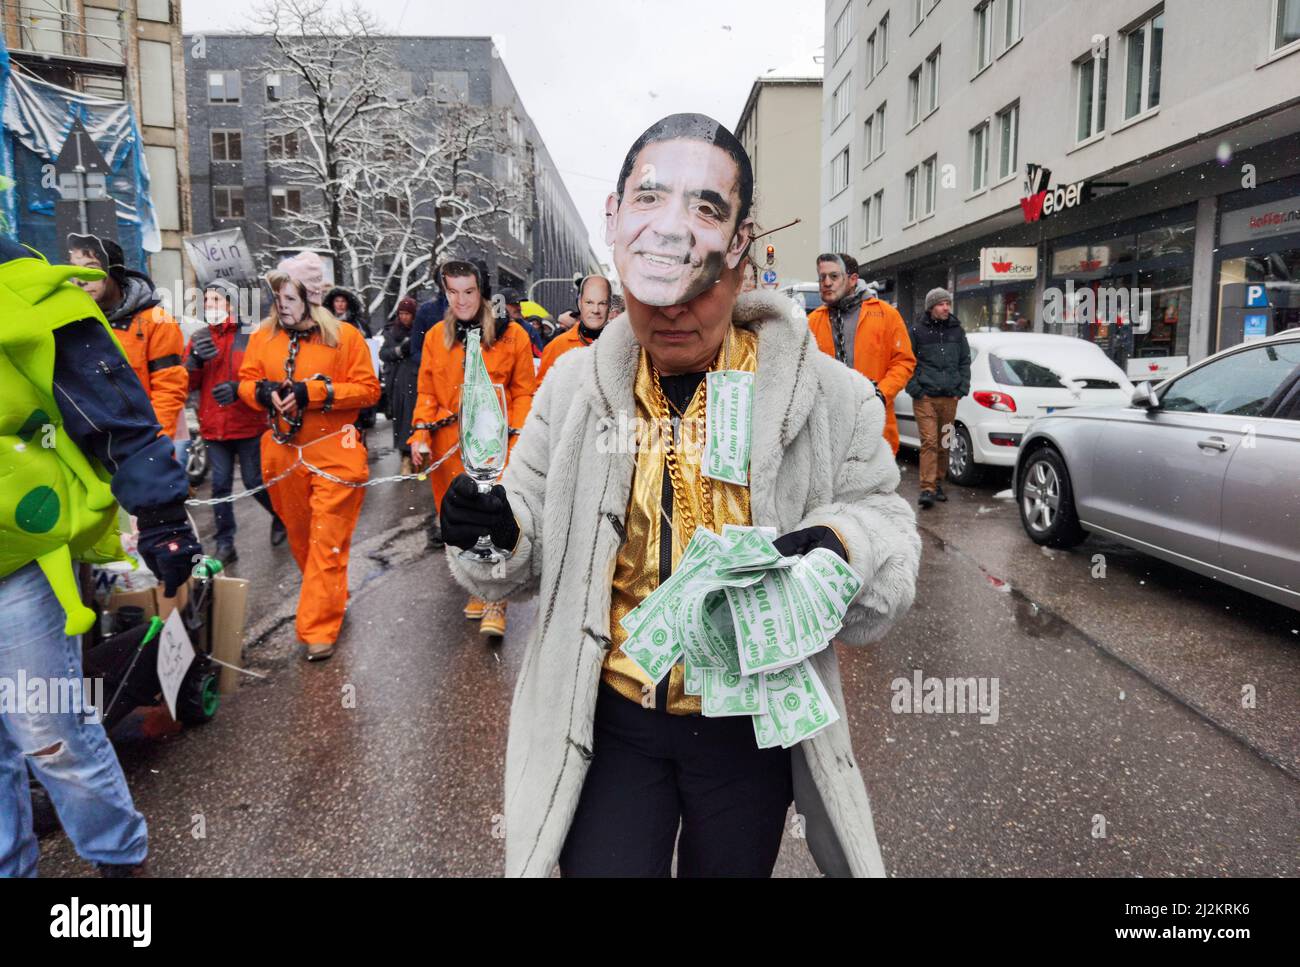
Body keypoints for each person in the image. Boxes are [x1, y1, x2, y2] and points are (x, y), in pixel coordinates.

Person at [438, 113, 920, 877]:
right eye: (647, 289)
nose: (670, 314)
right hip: (610, 724)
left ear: (741, 254)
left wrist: (841, 545)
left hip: (746, 729)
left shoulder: (831, 396)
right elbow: (521, 542)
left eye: (695, 286)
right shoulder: (572, 388)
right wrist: (494, 527)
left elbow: (885, 526)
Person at [0, 237, 201, 877]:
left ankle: (117, 865)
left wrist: (163, 513)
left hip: (20, 558)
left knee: (48, 731)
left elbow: (116, 410)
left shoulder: (23, 285)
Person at [234, 259, 380, 661]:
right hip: (282, 455)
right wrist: (262, 394)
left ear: (309, 298)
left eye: (289, 295)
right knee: (302, 538)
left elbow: (368, 391)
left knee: (325, 540)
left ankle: (318, 628)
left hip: (337, 452)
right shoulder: (263, 337)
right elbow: (247, 380)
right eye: (277, 295)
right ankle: (329, 594)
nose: (281, 303)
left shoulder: (345, 337)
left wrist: (314, 393)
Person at [407, 260, 535, 638]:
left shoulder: (513, 336)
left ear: (482, 291)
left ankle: (497, 601)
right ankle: (477, 588)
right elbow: (427, 391)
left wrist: (516, 434)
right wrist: (420, 433)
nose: (461, 301)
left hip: (495, 444)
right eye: (453, 292)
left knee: (494, 518)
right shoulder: (435, 337)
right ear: (444, 293)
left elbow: (523, 389)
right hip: (449, 445)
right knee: (461, 520)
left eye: (469, 291)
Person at [185, 280, 286, 564]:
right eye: (207, 301)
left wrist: (238, 388)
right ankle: (225, 543)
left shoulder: (250, 335)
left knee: (255, 481)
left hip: (249, 423)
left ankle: (280, 517)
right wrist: (193, 360)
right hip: (214, 426)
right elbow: (185, 383)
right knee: (220, 486)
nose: (209, 306)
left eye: (216, 300)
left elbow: (266, 378)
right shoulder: (199, 337)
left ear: (231, 304)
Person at [66, 234, 187, 442]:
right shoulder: (70, 323)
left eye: (91, 269)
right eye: (74, 271)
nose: (81, 280)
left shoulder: (157, 322)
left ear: (114, 272)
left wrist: (153, 445)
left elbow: (169, 391)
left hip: (139, 445)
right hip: (92, 449)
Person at [807, 253, 915, 454]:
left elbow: (903, 362)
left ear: (853, 279)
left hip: (875, 426)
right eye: (822, 277)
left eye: (834, 276)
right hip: (829, 431)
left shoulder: (886, 314)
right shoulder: (813, 321)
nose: (827, 283)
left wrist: (881, 395)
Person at [906, 288, 971, 509]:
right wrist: (916, 389)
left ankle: (938, 483)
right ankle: (927, 488)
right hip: (925, 398)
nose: (946, 307)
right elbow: (907, 361)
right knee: (930, 443)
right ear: (931, 307)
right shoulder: (917, 330)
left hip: (949, 398)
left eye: (948, 304)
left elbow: (965, 361)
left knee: (944, 443)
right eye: (941, 304)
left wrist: (961, 388)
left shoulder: (957, 331)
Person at [536, 274, 612, 383]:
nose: (595, 310)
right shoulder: (557, 346)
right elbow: (542, 390)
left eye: (602, 302)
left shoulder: (621, 344)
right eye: (589, 302)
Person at [379, 296, 421, 475]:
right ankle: (404, 457)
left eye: (407, 314)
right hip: (396, 383)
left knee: (414, 421)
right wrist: (399, 351)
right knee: (401, 421)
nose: (404, 317)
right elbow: (384, 353)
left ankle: (415, 456)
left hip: (415, 381)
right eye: (401, 313)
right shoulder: (392, 331)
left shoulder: (420, 331)